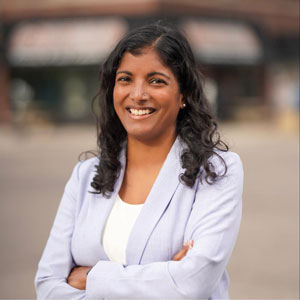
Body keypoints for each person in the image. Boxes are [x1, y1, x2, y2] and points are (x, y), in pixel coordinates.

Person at [35, 22, 243, 299]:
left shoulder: (216, 172)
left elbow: (193, 283)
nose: (138, 94)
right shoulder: (85, 176)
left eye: (156, 80)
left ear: (183, 95)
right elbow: (48, 286)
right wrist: (165, 276)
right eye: (125, 79)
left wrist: (93, 277)